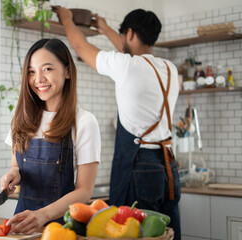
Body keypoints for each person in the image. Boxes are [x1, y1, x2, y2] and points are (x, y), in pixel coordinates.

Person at [56, 7, 181, 239]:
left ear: (130, 33)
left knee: (131, 232)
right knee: (166, 233)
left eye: (125, 36)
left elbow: (82, 48)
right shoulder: (169, 69)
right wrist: (104, 27)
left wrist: (66, 19)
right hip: (168, 167)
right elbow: (129, 51)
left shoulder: (127, 66)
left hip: (140, 166)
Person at [0, 38, 101, 234]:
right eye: (31, 71)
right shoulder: (21, 118)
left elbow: (84, 191)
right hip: (22, 226)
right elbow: (16, 164)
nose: (38, 79)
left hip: (61, 229)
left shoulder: (84, 122)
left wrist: (43, 215)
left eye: (47, 69)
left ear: (68, 71)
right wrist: (13, 175)